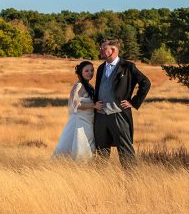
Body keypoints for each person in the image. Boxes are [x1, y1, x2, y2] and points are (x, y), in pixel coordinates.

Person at [94, 39, 151, 169]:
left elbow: (146, 83)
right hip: (101, 115)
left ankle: (132, 179)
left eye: (103, 48)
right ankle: (98, 181)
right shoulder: (101, 67)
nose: (101, 50)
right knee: (101, 150)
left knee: (125, 150)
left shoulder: (128, 66)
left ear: (112, 50)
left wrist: (134, 102)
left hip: (119, 114)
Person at [53, 61, 102, 161]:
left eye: (92, 70)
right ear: (81, 72)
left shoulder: (89, 86)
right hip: (81, 122)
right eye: (86, 71)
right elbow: (76, 105)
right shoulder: (78, 86)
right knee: (81, 145)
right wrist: (94, 105)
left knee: (88, 145)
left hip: (89, 121)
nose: (90, 73)